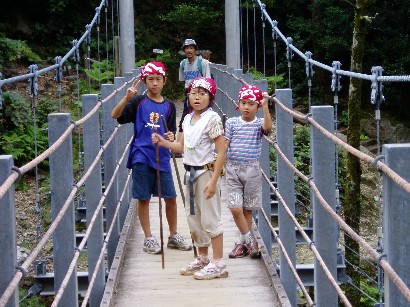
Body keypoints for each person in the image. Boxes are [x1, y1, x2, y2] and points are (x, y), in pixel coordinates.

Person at [111, 61, 192, 254]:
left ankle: (173, 236)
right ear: (144, 81)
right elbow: (115, 115)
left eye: (158, 79)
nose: (154, 83)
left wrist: (171, 137)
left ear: (164, 81)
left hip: (162, 157)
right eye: (150, 79)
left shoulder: (170, 106)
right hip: (141, 155)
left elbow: (170, 131)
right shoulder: (138, 102)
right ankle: (148, 238)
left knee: (170, 197)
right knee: (143, 198)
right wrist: (126, 98)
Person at [152, 77, 228, 280]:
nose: (197, 97)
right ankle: (203, 257)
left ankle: (218, 262)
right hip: (190, 173)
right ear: (188, 96)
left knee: (210, 217)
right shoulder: (187, 119)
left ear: (210, 98)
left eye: (202, 94)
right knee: (194, 217)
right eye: (194, 93)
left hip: (206, 173)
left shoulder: (212, 119)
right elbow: (181, 147)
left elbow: (221, 152)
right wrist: (163, 143)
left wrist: (213, 182)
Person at [224, 84, 272, 259]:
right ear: (238, 103)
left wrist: (266, 106)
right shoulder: (231, 122)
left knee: (247, 209)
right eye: (243, 103)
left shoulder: (259, 123)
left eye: (251, 104)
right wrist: (217, 160)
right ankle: (249, 240)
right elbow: (225, 143)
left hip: (252, 169)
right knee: (235, 208)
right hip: (233, 169)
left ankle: (241, 245)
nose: (246, 107)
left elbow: (268, 127)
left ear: (257, 107)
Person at [177, 39, 211, 144]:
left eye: (191, 48)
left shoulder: (203, 63)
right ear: (184, 50)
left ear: (195, 50)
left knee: (202, 117)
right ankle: (180, 145)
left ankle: (199, 142)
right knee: (186, 117)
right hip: (189, 93)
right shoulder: (183, 64)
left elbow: (208, 80)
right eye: (187, 48)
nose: (189, 50)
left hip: (201, 92)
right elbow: (183, 80)